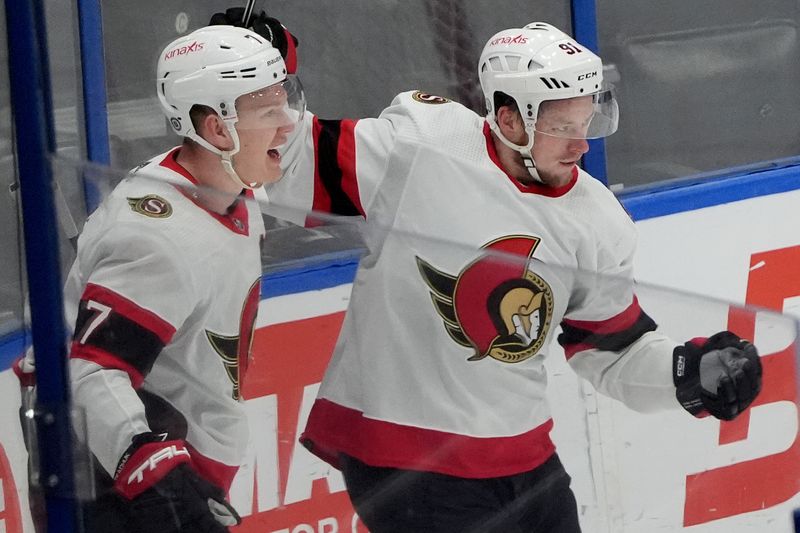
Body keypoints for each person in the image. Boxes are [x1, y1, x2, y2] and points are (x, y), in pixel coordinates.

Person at [215, 12, 762, 532]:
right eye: (563, 126)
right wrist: (264, 80)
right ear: (508, 119)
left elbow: (609, 347)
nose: (582, 142)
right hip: (408, 458)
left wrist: (686, 372)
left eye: (588, 120)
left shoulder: (596, 218)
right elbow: (288, 162)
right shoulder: (424, 147)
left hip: (522, 456)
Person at [62, 24, 304, 533]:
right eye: (270, 112)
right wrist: (154, 474)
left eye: (287, 101)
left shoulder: (225, 184)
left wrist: (261, 56)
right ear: (217, 129)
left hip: (184, 477)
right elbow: (92, 370)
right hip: (133, 497)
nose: (289, 124)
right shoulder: (159, 238)